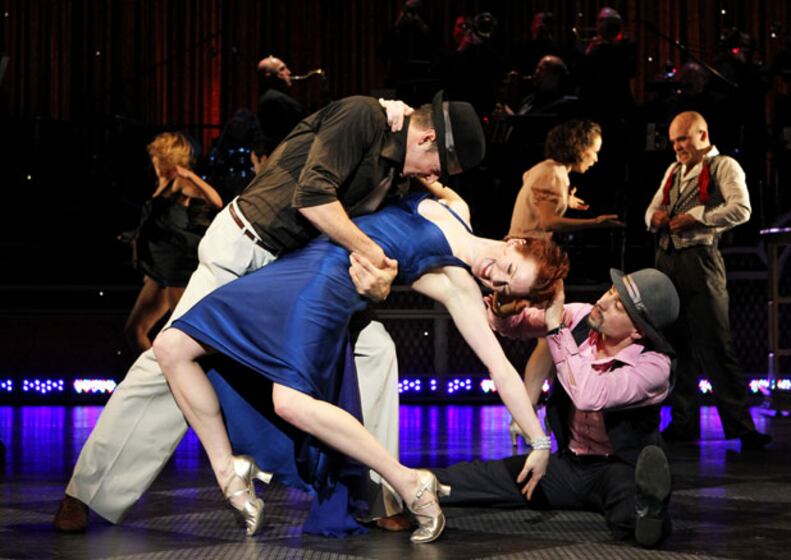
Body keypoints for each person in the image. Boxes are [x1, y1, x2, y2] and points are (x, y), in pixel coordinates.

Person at [53, 92, 483, 533]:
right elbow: (313, 197)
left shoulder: (398, 175)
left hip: (297, 272)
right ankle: (87, 491)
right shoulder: (363, 116)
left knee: (375, 350)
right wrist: (373, 255)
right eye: (440, 166)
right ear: (426, 138)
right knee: (169, 358)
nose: (434, 177)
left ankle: (378, 495)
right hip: (246, 249)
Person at [153, 181, 570, 542]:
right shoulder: (455, 207)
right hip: (298, 264)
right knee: (171, 347)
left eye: (504, 286)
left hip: (325, 292)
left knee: (290, 403)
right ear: (516, 243)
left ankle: (408, 481)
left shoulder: (456, 283)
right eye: (508, 267)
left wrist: (538, 441)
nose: (494, 276)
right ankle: (229, 471)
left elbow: (500, 368)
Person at [432, 268, 680, 548]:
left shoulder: (655, 366)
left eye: (619, 306)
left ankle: (651, 513)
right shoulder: (581, 315)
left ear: (638, 330)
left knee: (629, 509)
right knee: (482, 478)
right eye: (611, 291)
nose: (603, 302)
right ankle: (413, 485)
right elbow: (518, 325)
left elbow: (588, 395)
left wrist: (555, 329)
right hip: (568, 464)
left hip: (617, 468)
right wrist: (504, 310)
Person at [644, 111, 771, 449]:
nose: (677, 147)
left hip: (700, 259)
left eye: (683, 139)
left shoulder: (724, 166)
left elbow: (741, 209)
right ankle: (683, 422)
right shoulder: (674, 170)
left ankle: (740, 426)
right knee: (676, 344)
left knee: (715, 343)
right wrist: (655, 218)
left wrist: (697, 218)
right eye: (673, 141)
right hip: (667, 260)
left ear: (702, 134)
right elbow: (651, 209)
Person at [504, 119, 624, 438]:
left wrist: (565, 201)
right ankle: (525, 414)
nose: (595, 159)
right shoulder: (554, 173)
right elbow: (548, 221)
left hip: (526, 254)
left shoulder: (543, 170)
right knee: (550, 335)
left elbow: (533, 193)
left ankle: (533, 413)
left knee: (550, 336)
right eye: (593, 151)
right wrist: (595, 222)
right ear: (578, 148)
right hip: (532, 257)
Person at [121, 132, 223, 354]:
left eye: (156, 157)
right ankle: (160, 373)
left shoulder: (180, 182)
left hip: (177, 267)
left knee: (183, 332)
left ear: (166, 157)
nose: (153, 162)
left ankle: (196, 370)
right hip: (160, 269)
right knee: (135, 331)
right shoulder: (162, 184)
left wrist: (190, 175)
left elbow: (216, 201)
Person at [256, 55, 305, 154]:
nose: (289, 72)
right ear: (269, 76)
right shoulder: (273, 99)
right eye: (282, 69)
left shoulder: (276, 97)